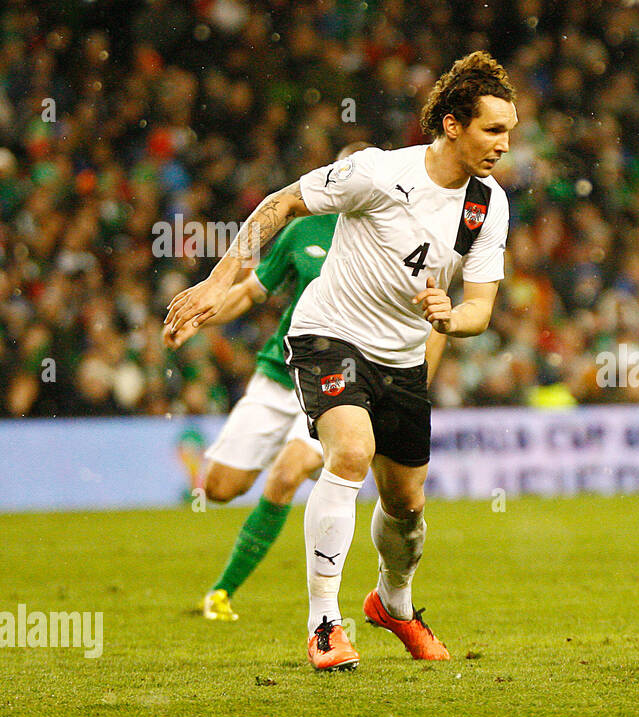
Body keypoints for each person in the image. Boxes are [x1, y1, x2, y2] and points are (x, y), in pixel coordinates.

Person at [165, 51, 514, 671]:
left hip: (403, 357)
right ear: (453, 124)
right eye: (493, 130)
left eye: (509, 132)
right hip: (330, 334)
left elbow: (480, 308)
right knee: (348, 454)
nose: (504, 145)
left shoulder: (489, 206)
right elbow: (280, 204)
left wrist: (447, 317)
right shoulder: (377, 174)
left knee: (406, 505)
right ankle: (325, 623)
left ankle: (393, 603)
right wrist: (220, 282)